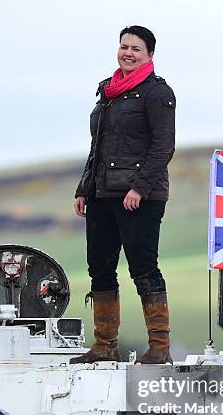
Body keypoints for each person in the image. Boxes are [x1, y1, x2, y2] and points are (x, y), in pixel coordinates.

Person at [70, 25, 176, 365]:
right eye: (124, 46)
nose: (127, 53)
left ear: (149, 56)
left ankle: (159, 347)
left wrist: (139, 188)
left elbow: (163, 147)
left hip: (140, 197)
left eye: (136, 49)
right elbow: (97, 147)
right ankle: (105, 345)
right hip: (101, 194)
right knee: (99, 269)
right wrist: (84, 188)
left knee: (143, 268)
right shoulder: (108, 91)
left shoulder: (158, 94)